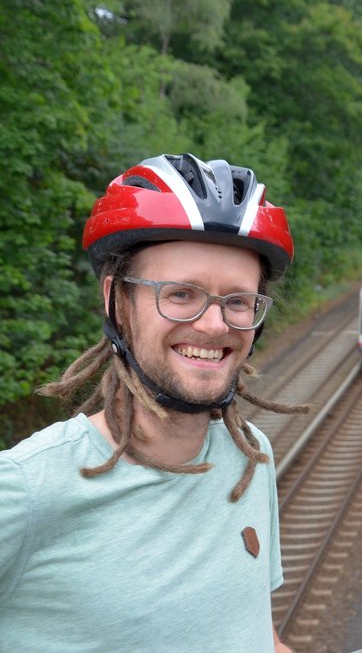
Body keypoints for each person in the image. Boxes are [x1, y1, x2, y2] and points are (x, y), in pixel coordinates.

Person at [0, 153, 307, 652]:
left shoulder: (251, 456)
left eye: (237, 301)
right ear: (117, 301)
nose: (214, 325)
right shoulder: (28, 489)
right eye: (181, 294)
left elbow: (259, 637)